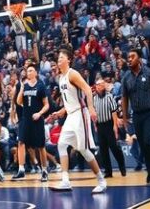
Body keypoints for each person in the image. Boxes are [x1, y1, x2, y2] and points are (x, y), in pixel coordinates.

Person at [48, 45, 107, 193]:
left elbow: (87, 89)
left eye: (62, 57)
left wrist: (92, 108)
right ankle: (65, 181)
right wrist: (60, 112)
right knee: (61, 145)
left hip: (81, 114)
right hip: (70, 115)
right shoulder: (60, 78)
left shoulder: (72, 74)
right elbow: (69, 101)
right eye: (58, 57)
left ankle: (101, 180)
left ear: (68, 60)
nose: (59, 59)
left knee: (83, 149)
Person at [121, 48, 150, 184]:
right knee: (143, 145)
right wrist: (124, 117)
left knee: (147, 142)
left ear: (139, 59)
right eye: (128, 57)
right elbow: (124, 97)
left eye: (132, 56)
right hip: (136, 115)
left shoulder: (149, 73)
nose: (129, 59)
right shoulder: (126, 78)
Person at [15, 62, 49, 182]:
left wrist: (39, 113)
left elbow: (47, 105)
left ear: (35, 73)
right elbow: (18, 102)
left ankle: (44, 171)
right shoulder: (24, 85)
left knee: (40, 146)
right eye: (27, 71)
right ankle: (21, 170)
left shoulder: (40, 86)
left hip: (37, 119)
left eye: (30, 71)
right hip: (25, 118)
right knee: (21, 143)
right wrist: (22, 89)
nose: (28, 73)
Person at [92, 77, 126, 178]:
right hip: (100, 125)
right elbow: (94, 112)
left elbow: (114, 112)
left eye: (100, 85)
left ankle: (122, 165)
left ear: (103, 86)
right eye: (97, 85)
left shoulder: (109, 97)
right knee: (103, 149)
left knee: (114, 147)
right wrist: (95, 125)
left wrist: (115, 126)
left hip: (109, 124)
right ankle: (108, 171)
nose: (98, 87)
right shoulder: (94, 98)